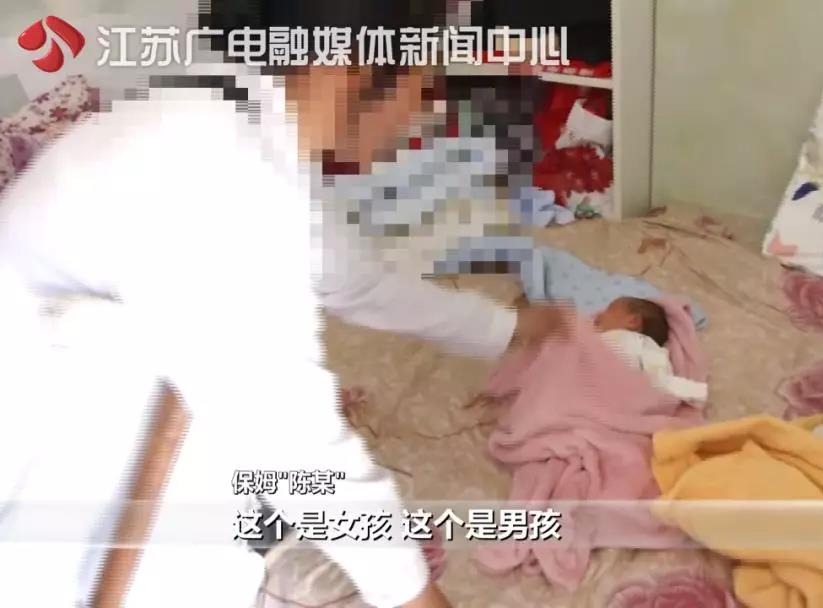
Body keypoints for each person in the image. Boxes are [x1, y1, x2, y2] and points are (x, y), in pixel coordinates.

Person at [0, 2, 570, 607]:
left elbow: (355, 281)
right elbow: (294, 440)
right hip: (52, 523)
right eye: (423, 88)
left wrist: (512, 328)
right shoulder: (210, 162)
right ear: (350, 71)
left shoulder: (238, 124)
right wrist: (418, 599)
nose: (425, 115)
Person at [593, 297, 707, 402]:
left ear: (632, 321)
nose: (598, 315)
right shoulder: (650, 350)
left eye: (608, 311)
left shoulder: (634, 342)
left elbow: (659, 377)